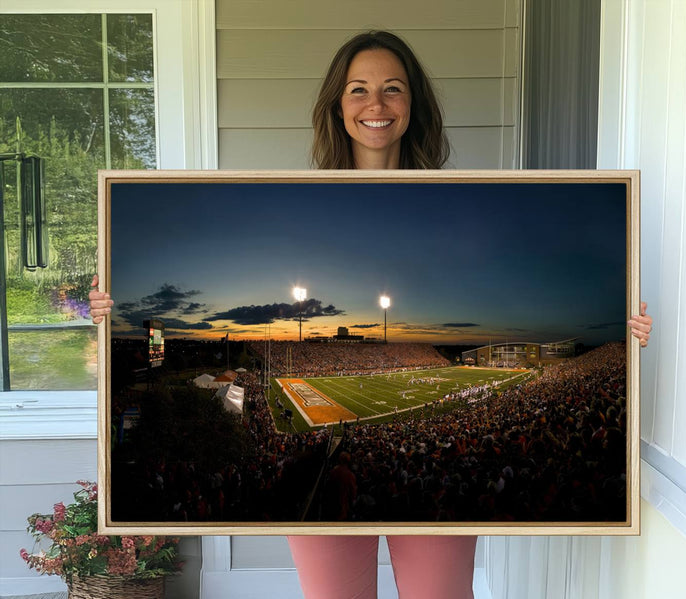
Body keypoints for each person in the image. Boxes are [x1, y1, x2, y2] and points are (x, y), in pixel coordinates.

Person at [89, 30, 653, 599]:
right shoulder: (300, 200)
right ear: (338, 104)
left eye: (393, 89)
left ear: (414, 105)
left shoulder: (457, 198)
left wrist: (626, 333)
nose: (376, 105)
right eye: (358, 89)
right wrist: (109, 309)